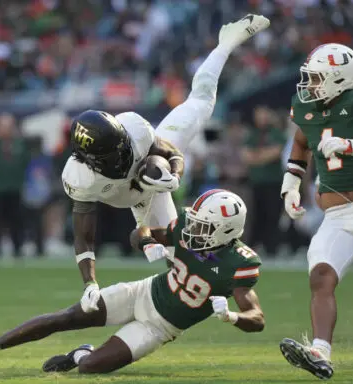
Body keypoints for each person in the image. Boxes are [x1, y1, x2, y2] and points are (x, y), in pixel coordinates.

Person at [61, 14, 270, 314]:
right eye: (113, 152)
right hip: (138, 199)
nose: (123, 152)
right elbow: (83, 236)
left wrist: (174, 175)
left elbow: (172, 152)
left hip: (156, 177)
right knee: (177, 260)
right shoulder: (80, 178)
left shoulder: (134, 131)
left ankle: (226, 43)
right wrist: (90, 284)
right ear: (92, 160)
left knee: (201, 102)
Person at [0, 189, 264, 374]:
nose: (194, 230)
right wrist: (146, 243)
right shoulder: (185, 225)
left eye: (204, 227)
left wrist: (231, 315)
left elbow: (258, 319)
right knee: (67, 317)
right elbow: (140, 231)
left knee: (89, 368)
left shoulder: (240, 264)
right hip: (142, 293)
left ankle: (80, 353)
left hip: (159, 328)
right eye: (195, 222)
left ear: (226, 232)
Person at [279, 43, 353, 380]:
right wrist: (291, 182)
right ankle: (320, 351)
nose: (310, 84)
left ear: (340, 78)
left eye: (317, 78)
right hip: (339, 217)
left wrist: (351, 147)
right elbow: (303, 140)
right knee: (321, 276)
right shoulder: (306, 104)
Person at [0, 113, 30, 259]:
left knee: (16, 221)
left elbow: (26, 162)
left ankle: (17, 249)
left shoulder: (20, 145)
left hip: (15, 188)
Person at [242, 106, 285, 256]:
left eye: (264, 114)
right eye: (258, 114)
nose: (261, 117)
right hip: (256, 182)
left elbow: (276, 152)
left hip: (273, 182)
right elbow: (246, 156)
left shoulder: (276, 133)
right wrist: (263, 156)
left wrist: (257, 156)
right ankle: (254, 246)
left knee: (273, 215)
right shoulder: (252, 134)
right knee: (255, 215)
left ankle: (272, 248)